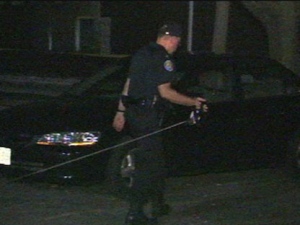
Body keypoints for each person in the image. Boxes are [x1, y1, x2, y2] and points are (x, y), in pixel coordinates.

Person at [112, 22, 207, 225]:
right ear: (171, 39)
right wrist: (193, 102)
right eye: (177, 42)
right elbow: (166, 92)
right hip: (148, 115)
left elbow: (129, 83)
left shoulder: (141, 53)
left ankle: (158, 203)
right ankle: (135, 213)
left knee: (156, 160)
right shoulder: (163, 58)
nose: (176, 47)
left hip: (134, 112)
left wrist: (120, 111)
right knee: (149, 165)